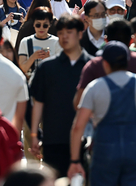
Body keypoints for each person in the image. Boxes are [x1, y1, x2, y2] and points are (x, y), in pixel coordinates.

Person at [68, 41, 136, 184]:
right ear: (127, 61)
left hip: (104, 151)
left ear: (105, 63)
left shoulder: (95, 87)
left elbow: (78, 127)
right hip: (135, 149)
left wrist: (75, 160)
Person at [30, 15, 93, 177]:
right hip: (54, 139)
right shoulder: (47, 67)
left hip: (87, 140)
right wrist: (34, 134)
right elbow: (38, 102)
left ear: (80, 34)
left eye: (69, 32)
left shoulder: (92, 67)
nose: (64, 37)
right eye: (61, 33)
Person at [18, 7, 62, 75]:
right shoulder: (25, 42)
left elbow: (61, 69)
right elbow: (22, 69)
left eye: (45, 25)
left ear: (50, 25)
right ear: (33, 24)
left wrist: (48, 59)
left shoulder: (57, 42)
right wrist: (33, 57)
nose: (41, 28)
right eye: (38, 25)